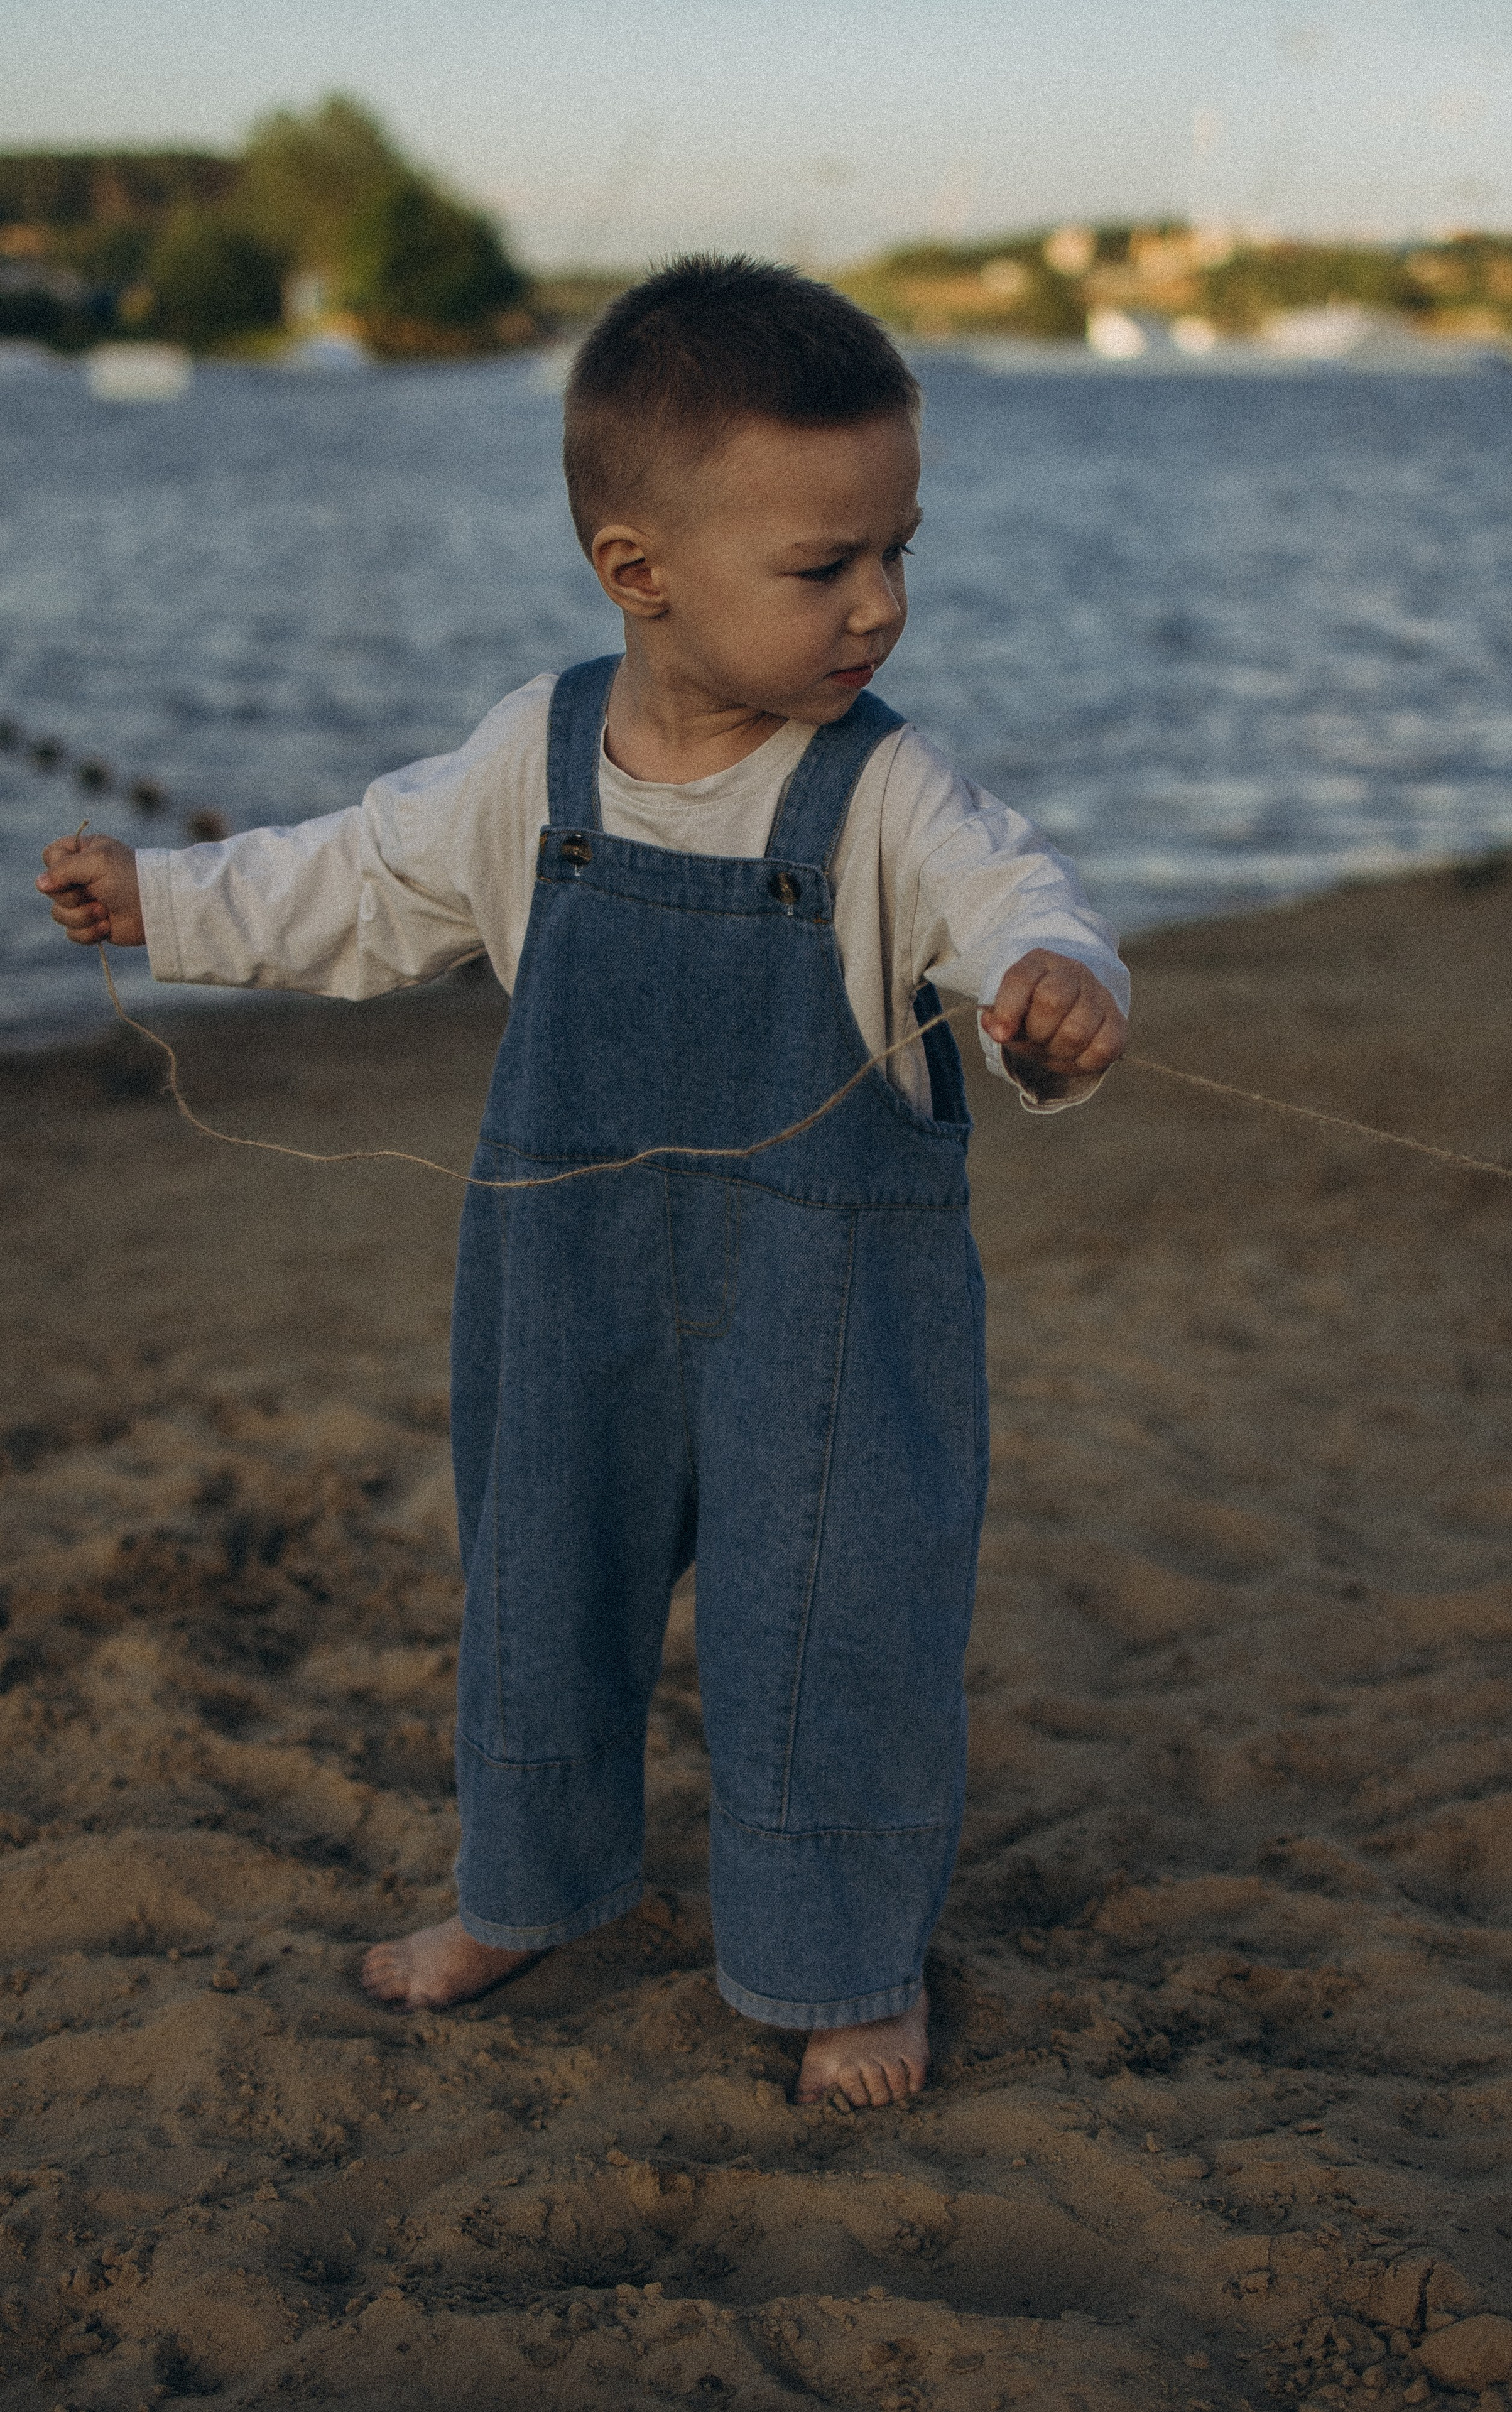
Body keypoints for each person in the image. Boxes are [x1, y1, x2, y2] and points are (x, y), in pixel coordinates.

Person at [37, 257, 1128, 2110]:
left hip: (837, 1303)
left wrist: (1060, 990)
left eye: (898, 551)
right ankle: (524, 1888)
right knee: (544, 1582)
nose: (881, 607)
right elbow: (356, 883)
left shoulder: (887, 795)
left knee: (838, 1620)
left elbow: (1015, 901)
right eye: (823, 568)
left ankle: (843, 1959)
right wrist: (167, 903)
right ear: (641, 572)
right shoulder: (524, 765)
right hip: (571, 1272)